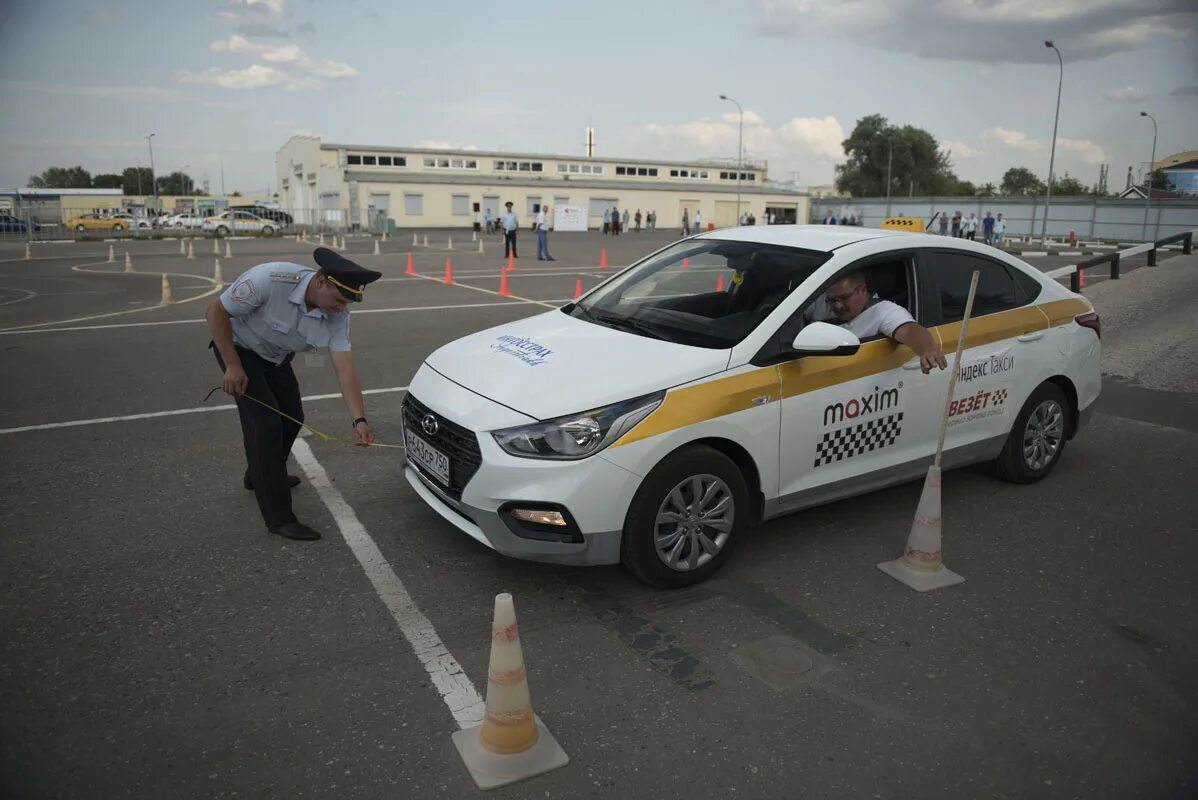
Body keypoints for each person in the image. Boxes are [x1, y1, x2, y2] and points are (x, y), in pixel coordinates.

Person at [206, 248, 382, 541]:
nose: (341, 309)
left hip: (275, 356)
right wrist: (233, 366)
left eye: (347, 304)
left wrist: (359, 420)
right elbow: (215, 311)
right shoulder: (270, 279)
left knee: (292, 418)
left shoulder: (337, 314)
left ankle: (260, 474)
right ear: (322, 281)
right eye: (338, 301)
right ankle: (279, 517)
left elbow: (345, 369)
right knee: (266, 426)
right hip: (239, 351)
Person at [808, 271, 947, 374]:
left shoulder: (882, 311)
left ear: (862, 289)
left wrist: (928, 349)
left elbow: (910, 330)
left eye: (844, 298)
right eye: (832, 300)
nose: (838, 305)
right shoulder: (822, 300)